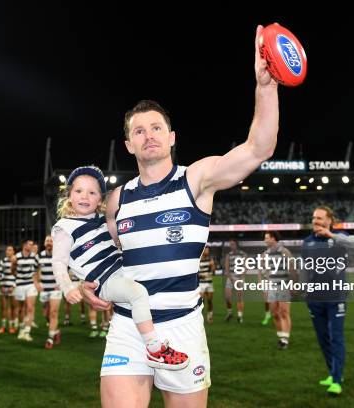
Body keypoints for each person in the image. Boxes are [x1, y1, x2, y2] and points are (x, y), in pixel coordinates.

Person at [85, 25, 280, 407]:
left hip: (181, 326)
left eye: (156, 127)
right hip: (128, 326)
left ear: (172, 137)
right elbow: (101, 257)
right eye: (138, 131)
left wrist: (266, 87)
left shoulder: (198, 179)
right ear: (129, 145)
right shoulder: (116, 200)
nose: (149, 135)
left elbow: (259, 148)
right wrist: (88, 284)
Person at [52, 166, 189, 369]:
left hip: (123, 270)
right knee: (138, 293)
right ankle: (155, 349)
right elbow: (58, 262)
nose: (84, 196)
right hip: (105, 281)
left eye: (92, 192)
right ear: (69, 195)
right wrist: (68, 287)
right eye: (78, 191)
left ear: (100, 199)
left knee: (152, 286)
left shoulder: (103, 221)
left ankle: (158, 335)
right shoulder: (65, 227)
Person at [301, 206, 354, 396]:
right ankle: (332, 373)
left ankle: (337, 380)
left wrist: (331, 235)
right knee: (323, 339)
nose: (315, 221)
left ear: (329, 220)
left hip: (336, 298)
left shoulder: (340, 238)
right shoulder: (308, 242)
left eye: (319, 218)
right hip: (315, 299)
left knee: (336, 338)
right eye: (313, 218)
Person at [260, 231, 296, 349]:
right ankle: (281, 337)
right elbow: (261, 271)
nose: (265, 240)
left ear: (273, 239)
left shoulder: (284, 252)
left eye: (267, 238)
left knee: (284, 312)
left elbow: (292, 269)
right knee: (275, 313)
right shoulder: (265, 254)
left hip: (283, 286)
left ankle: (285, 339)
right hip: (272, 287)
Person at [11, 240, 40, 341]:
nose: (32, 246)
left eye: (32, 244)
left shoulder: (35, 256)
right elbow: (12, 271)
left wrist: (36, 282)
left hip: (30, 284)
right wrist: (14, 265)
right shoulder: (17, 256)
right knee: (20, 309)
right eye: (30, 244)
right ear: (24, 245)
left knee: (30, 307)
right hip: (19, 285)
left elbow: (37, 269)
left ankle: (27, 332)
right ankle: (21, 329)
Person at [37, 235, 62, 349]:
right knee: (46, 314)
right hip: (44, 289)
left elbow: (67, 272)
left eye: (51, 241)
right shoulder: (39, 256)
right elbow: (35, 272)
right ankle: (56, 331)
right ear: (44, 243)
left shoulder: (59, 256)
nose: (49, 242)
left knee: (53, 313)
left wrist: (60, 283)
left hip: (55, 290)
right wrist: (37, 284)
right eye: (47, 240)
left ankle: (50, 339)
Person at [223, 239, 247, 323]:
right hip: (230, 278)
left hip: (240, 278)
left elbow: (245, 267)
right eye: (230, 244)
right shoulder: (228, 255)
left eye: (232, 244)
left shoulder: (242, 254)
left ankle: (240, 316)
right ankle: (230, 313)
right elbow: (227, 267)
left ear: (236, 244)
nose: (231, 245)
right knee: (227, 297)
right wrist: (231, 278)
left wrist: (241, 277)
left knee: (239, 297)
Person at [0, 245, 17, 334]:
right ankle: (3, 326)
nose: (8, 251)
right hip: (3, 287)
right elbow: (0, 274)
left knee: (12, 307)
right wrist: (1, 285)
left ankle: (12, 326)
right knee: (3, 307)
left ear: (13, 252)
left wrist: (13, 285)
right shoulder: (3, 261)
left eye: (10, 250)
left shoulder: (16, 261)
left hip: (12, 288)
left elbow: (18, 274)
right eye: (7, 250)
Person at [197, 247, 216, 324]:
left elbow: (213, 272)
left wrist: (213, 266)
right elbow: (196, 274)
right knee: (202, 301)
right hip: (201, 283)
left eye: (208, 250)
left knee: (210, 301)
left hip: (209, 282)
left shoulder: (210, 260)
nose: (207, 251)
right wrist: (202, 276)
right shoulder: (198, 261)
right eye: (205, 250)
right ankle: (199, 318)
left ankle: (210, 317)